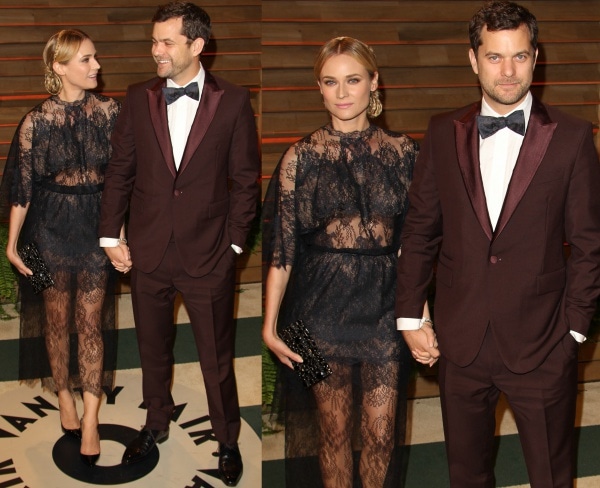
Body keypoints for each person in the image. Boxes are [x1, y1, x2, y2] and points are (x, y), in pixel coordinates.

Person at [396, 1, 600, 487]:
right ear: (473, 59)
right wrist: (410, 314)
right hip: (460, 340)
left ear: (536, 57)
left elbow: (591, 244)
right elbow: (421, 229)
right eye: (494, 57)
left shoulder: (571, 138)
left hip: (543, 342)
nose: (508, 72)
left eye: (520, 56)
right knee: (466, 474)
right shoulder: (443, 131)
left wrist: (572, 332)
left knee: (552, 476)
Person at [98, 2, 259, 485]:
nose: (156, 51)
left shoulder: (232, 101)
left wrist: (232, 247)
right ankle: (155, 423)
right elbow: (120, 171)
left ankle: (226, 438)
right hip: (147, 251)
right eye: (154, 41)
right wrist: (110, 233)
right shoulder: (137, 96)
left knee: (216, 357)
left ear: (197, 45)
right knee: (152, 349)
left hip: (208, 255)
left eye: (166, 42)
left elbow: (246, 181)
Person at [263, 36, 425, 488]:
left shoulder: (403, 152)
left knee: (380, 435)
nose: (342, 92)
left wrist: (421, 315)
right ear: (319, 88)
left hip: (384, 312)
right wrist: (269, 324)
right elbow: (282, 248)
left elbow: (411, 245)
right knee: (330, 436)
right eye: (330, 82)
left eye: (353, 80)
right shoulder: (300, 157)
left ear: (374, 83)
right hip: (314, 313)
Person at [0, 29, 120, 466]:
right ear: (60, 67)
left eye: (95, 57)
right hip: (44, 231)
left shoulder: (111, 112)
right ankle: (64, 394)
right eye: (86, 59)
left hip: (94, 231)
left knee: (89, 321)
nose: (97, 66)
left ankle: (90, 417)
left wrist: (119, 234)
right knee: (55, 319)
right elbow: (21, 188)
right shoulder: (36, 122)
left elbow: (125, 181)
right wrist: (13, 244)